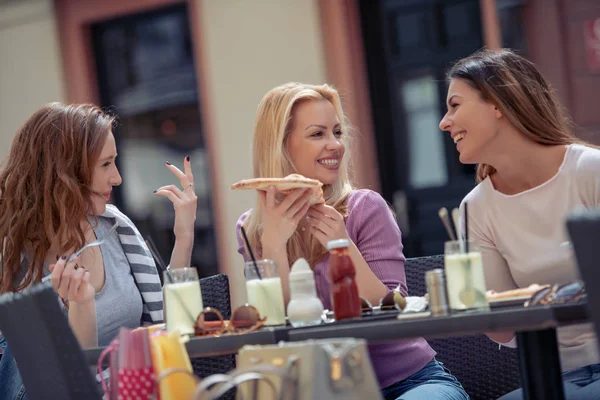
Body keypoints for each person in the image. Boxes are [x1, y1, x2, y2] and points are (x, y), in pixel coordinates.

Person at [235, 82, 469, 400]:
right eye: (318, 134)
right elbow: (280, 327)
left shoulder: (364, 208)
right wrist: (275, 244)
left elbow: (392, 309)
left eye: (337, 132)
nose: (335, 145)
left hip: (410, 383)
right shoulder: (252, 229)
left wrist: (342, 245)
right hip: (322, 391)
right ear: (282, 145)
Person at [0, 102, 197, 399]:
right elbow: (61, 387)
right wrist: (81, 307)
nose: (117, 178)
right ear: (64, 170)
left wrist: (183, 238)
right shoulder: (14, 263)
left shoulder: (116, 228)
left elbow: (163, 329)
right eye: (106, 164)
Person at [439, 48, 600, 399]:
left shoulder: (590, 171)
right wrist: (475, 301)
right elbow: (502, 330)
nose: (444, 122)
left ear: (497, 103)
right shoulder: (476, 207)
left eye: (455, 105)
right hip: (556, 376)